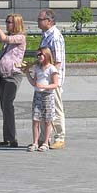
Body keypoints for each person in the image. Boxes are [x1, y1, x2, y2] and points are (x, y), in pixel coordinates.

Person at [0, 13, 26, 147]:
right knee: (4, 106)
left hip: (13, 76)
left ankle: (13, 138)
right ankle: (7, 138)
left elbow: (3, 37)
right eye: (7, 21)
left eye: (10, 22)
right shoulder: (8, 37)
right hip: (2, 75)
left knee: (8, 105)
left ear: (17, 24)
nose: (8, 24)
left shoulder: (20, 37)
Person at [37, 9, 66, 149]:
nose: (38, 21)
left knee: (56, 108)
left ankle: (60, 137)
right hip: (44, 80)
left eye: (40, 19)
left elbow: (58, 62)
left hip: (52, 81)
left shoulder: (54, 36)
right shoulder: (45, 35)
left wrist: (49, 78)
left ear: (49, 21)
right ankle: (44, 139)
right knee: (44, 109)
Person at [24, 48, 59, 152]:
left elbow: (55, 84)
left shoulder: (52, 68)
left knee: (47, 120)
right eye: (37, 55)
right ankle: (35, 142)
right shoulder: (37, 68)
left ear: (46, 55)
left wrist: (45, 86)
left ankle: (45, 142)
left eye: (40, 54)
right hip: (37, 95)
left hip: (48, 96)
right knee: (35, 120)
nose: (38, 57)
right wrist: (27, 73)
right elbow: (34, 82)